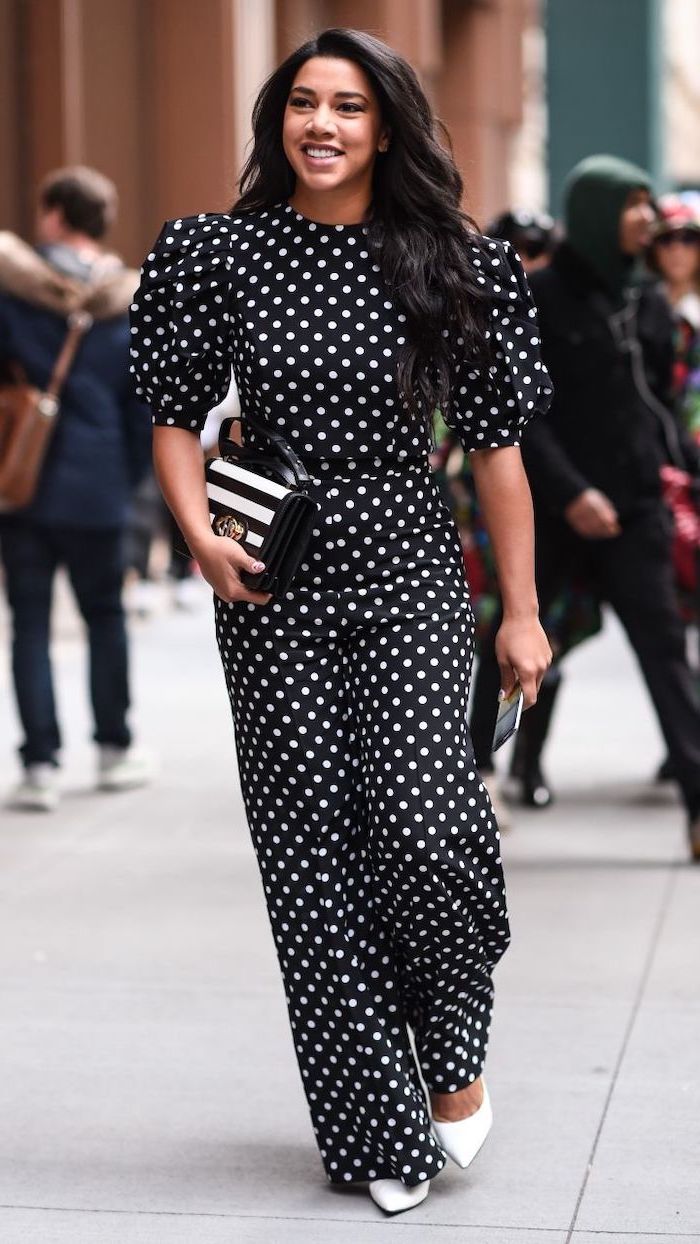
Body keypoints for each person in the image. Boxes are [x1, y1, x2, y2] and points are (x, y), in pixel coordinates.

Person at [129, 28, 552, 1215]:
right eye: (303, 103)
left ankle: (453, 1057)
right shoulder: (217, 254)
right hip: (270, 576)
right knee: (310, 853)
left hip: (411, 567)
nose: (321, 124)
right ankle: (376, 1123)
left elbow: (499, 456)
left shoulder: (453, 260)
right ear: (278, 119)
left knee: (423, 822)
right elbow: (171, 415)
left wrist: (518, 613)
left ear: (387, 126)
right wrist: (198, 538)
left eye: (349, 106)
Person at [469, 153, 700, 862]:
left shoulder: (647, 301)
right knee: (510, 644)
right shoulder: (535, 296)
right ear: (600, 211)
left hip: (636, 510)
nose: (649, 219)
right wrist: (572, 494)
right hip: (552, 510)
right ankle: (478, 776)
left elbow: (659, 403)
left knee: (665, 652)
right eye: (633, 205)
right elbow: (518, 420)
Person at [0, 166, 154, 811]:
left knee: (30, 623)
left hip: (21, 480)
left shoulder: (11, 293)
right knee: (105, 618)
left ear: (56, 215)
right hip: (98, 484)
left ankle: (40, 766)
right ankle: (114, 749)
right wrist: (131, 485)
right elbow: (143, 409)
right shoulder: (128, 301)